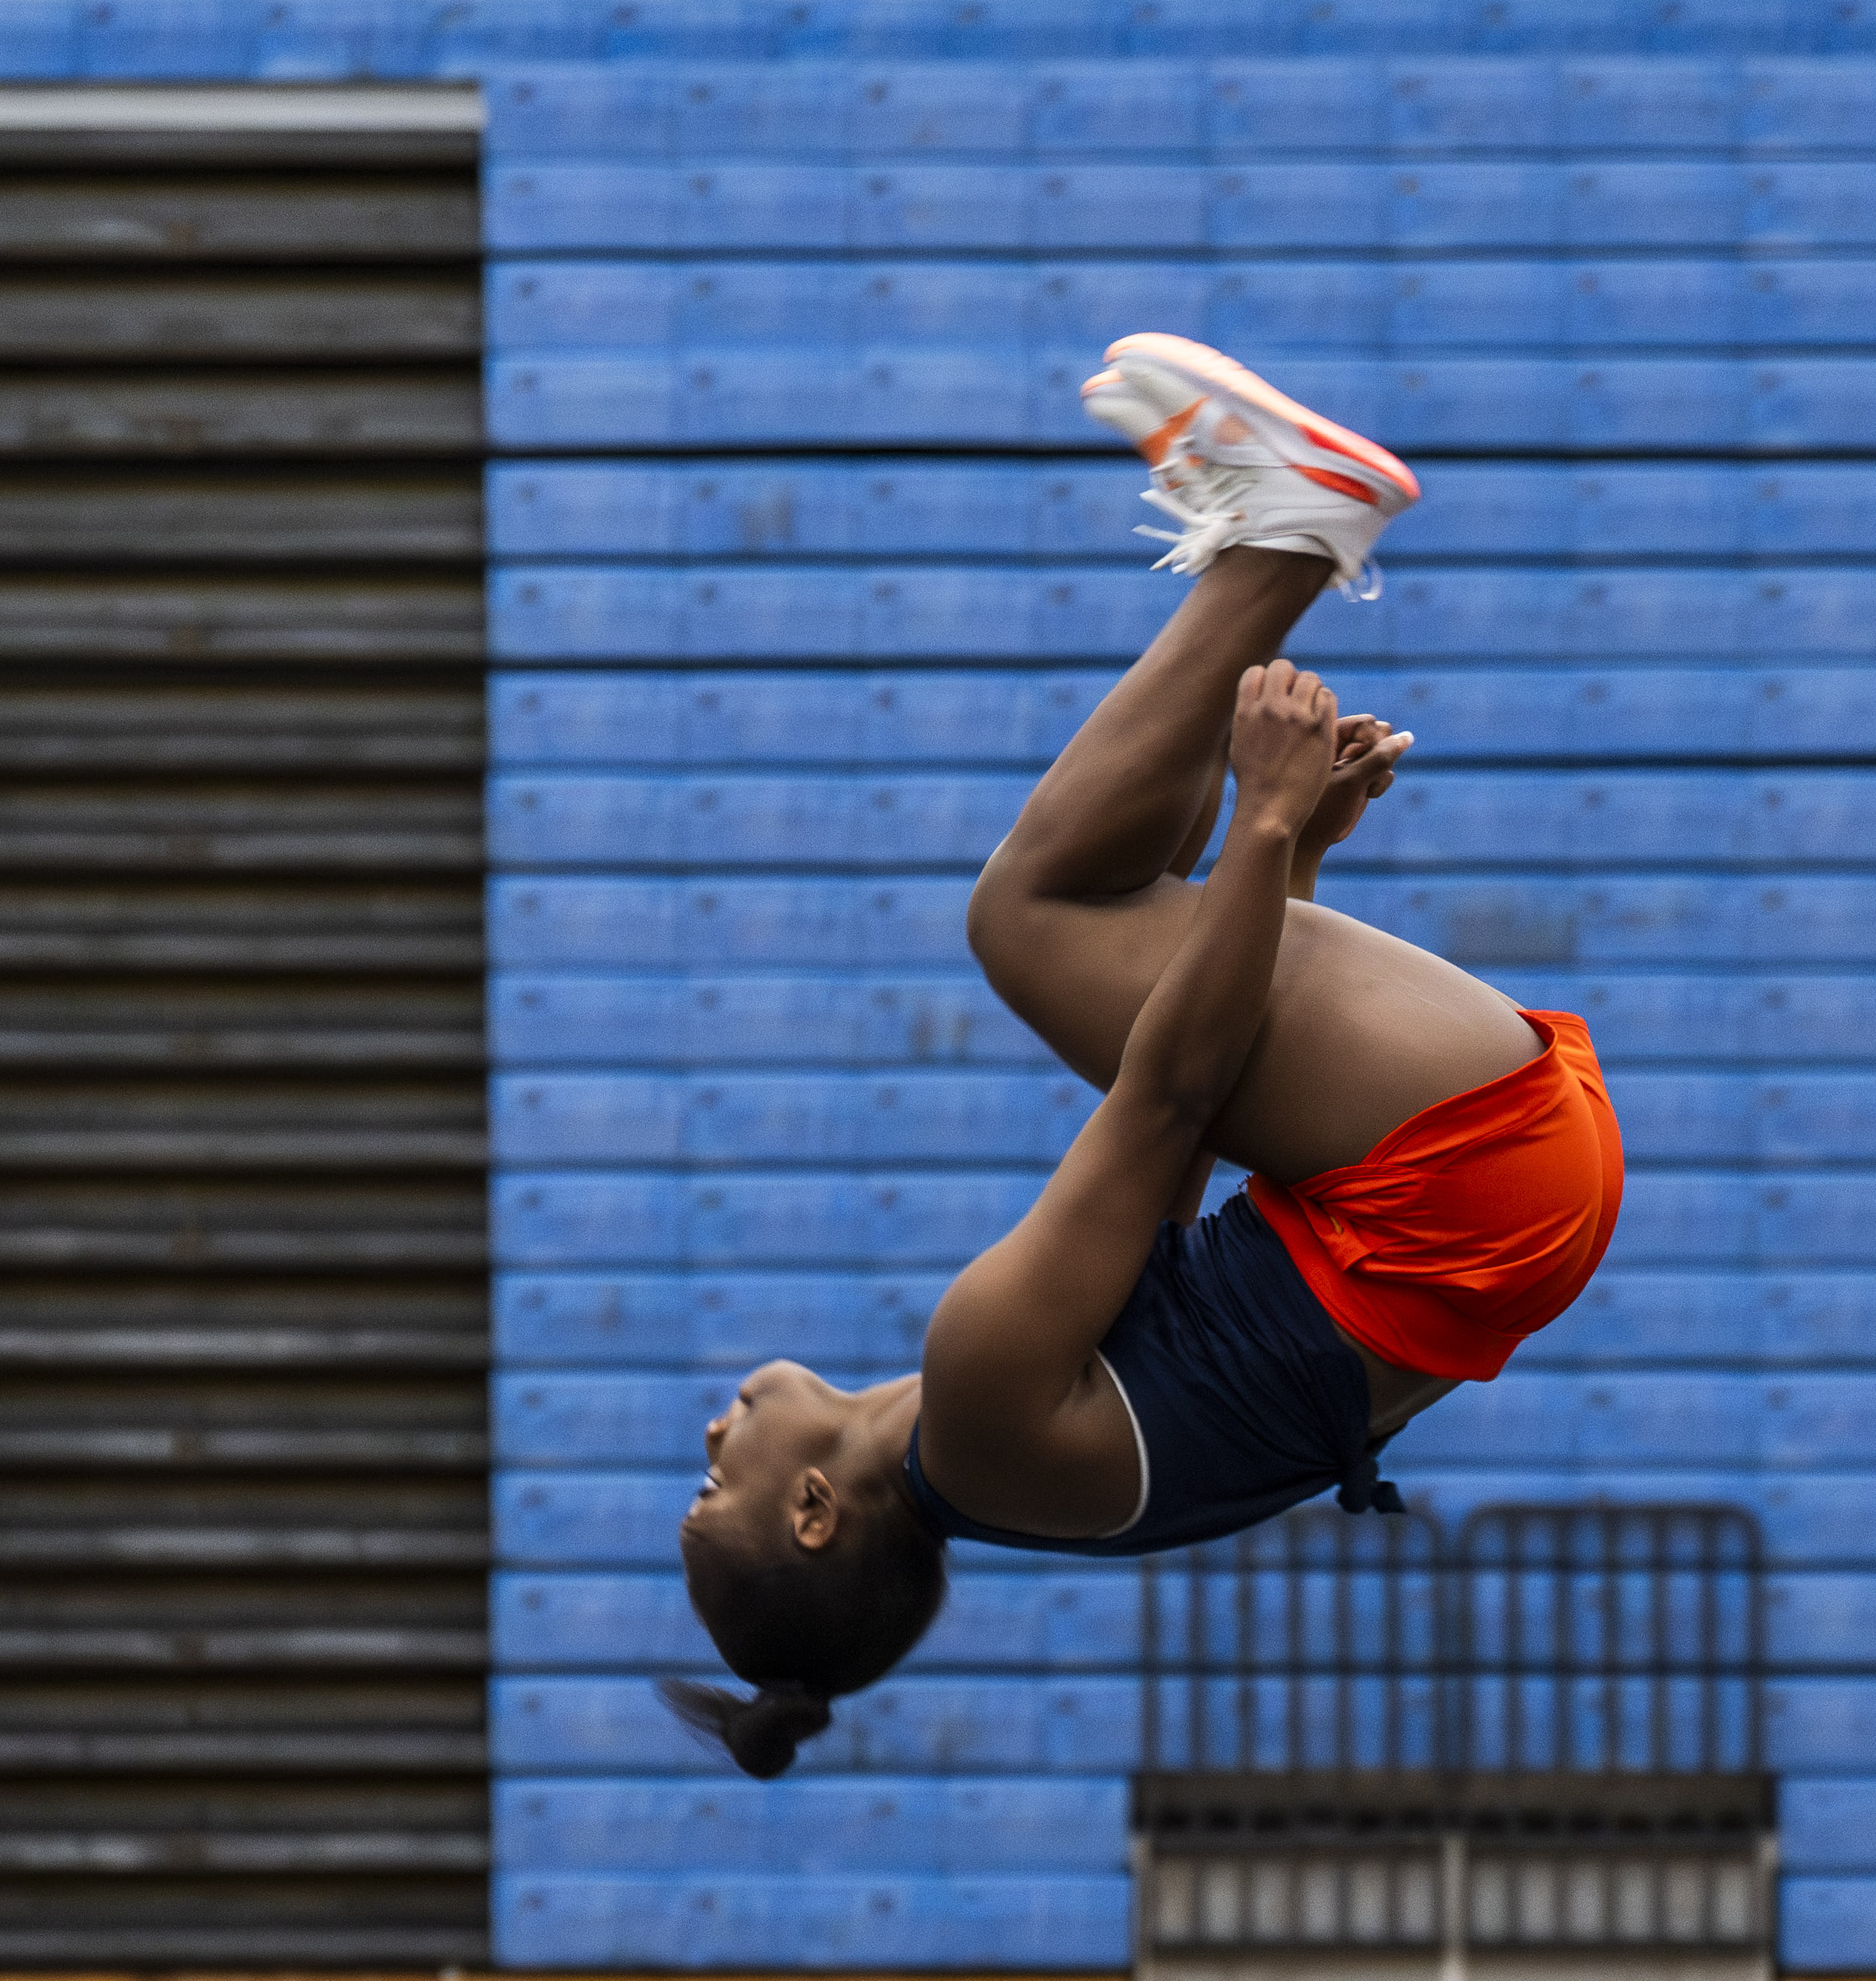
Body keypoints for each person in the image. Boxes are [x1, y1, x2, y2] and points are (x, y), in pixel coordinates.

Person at [664, 334, 1625, 1780]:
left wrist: (1286, 862)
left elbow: (1190, 1138)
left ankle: (1268, 540)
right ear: (810, 1509)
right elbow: (1170, 1094)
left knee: (1105, 924)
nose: (712, 1433)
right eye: (709, 1483)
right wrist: (1257, 823)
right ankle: (1291, 532)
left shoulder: (1009, 1461)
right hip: (1450, 1189)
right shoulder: (976, 1395)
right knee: (1026, 922)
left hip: (1503, 1209)